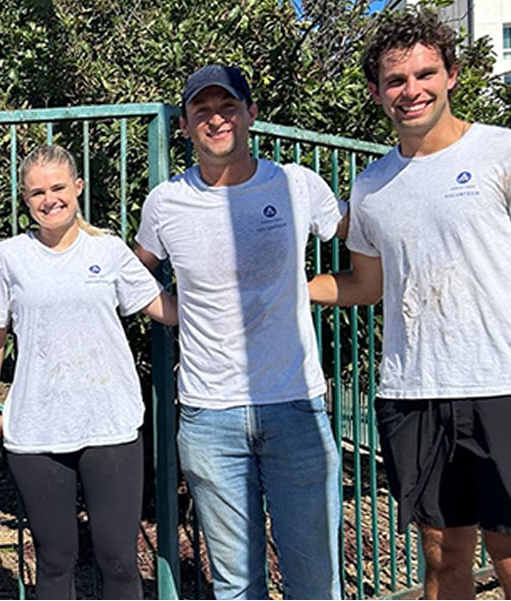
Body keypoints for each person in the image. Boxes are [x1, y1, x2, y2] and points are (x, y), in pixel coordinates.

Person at [308, 9, 511, 599]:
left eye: (424, 74)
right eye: (395, 81)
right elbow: (369, 285)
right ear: (376, 92)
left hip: (506, 387)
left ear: (451, 76)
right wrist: (279, 290)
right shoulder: (371, 185)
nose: (410, 90)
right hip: (411, 393)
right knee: (441, 562)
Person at [135, 65, 344, 599]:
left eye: (227, 106)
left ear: (250, 113)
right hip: (209, 416)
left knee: (315, 581)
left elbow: (363, 235)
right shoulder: (165, 202)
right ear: (184, 126)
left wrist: (309, 289)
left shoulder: (297, 185)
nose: (216, 118)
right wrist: (181, 312)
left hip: (295, 405)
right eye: (201, 111)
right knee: (234, 586)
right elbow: (133, 276)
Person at [0, 144, 177, 600]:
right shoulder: (8, 257)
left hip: (110, 424)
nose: (49, 199)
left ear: (78, 187)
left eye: (58, 188)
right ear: (25, 200)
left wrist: (223, 298)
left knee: (120, 561)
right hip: (37, 430)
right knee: (54, 559)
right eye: (37, 192)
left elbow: (162, 308)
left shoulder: (108, 250)